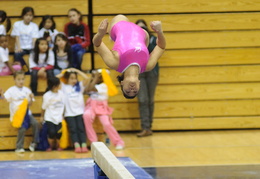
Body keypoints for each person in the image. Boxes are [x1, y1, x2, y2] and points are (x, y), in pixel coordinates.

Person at [92, 15, 166, 99]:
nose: (132, 89)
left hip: (119, 26)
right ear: (139, 83)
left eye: (127, 91)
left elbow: (97, 45)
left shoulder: (115, 64)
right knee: (143, 40)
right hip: (142, 34)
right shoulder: (148, 65)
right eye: (135, 91)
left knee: (120, 16)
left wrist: (100, 34)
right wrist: (159, 31)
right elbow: (161, 47)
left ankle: (112, 38)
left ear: (122, 83)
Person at [83, 69, 124, 150]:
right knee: (86, 115)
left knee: (106, 124)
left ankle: (118, 142)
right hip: (91, 106)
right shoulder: (93, 83)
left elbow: (91, 88)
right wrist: (92, 78)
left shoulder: (104, 86)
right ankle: (93, 142)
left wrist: (95, 78)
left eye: (98, 76)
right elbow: (86, 91)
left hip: (101, 107)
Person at [3, 70, 39, 153]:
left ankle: (34, 142)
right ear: (14, 80)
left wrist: (31, 98)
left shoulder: (27, 90)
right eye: (19, 79)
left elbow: (30, 104)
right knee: (22, 128)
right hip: (17, 115)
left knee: (35, 123)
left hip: (26, 114)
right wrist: (1, 95)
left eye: (22, 79)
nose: (21, 81)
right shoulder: (11, 90)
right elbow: (5, 99)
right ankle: (19, 147)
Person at [56, 68, 90, 153]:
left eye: (75, 78)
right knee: (73, 129)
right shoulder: (64, 87)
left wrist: (76, 70)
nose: (74, 80)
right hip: (69, 113)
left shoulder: (79, 86)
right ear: (67, 79)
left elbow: (87, 78)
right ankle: (77, 145)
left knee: (81, 129)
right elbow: (55, 78)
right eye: (71, 78)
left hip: (79, 112)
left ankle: (84, 145)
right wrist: (65, 72)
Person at [135, 19, 159, 137]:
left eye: (144, 28)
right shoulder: (133, 41)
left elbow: (155, 51)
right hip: (139, 72)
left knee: (150, 100)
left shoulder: (153, 39)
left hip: (152, 71)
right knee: (142, 100)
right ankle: (145, 127)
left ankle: (149, 126)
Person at [11, 7, 39, 74]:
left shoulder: (34, 26)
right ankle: (26, 71)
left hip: (30, 47)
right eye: (26, 15)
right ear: (23, 16)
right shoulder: (17, 24)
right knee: (17, 55)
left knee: (36, 54)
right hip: (21, 48)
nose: (28, 17)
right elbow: (17, 37)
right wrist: (19, 47)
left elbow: (34, 39)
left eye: (30, 15)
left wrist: (35, 49)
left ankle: (35, 70)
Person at [41, 77, 64, 151]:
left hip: (59, 117)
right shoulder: (47, 95)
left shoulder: (61, 94)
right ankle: (50, 146)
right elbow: (43, 107)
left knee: (58, 133)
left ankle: (57, 145)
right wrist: (42, 116)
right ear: (54, 86)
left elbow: (64, 105)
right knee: (51, 132)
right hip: (50, 117)